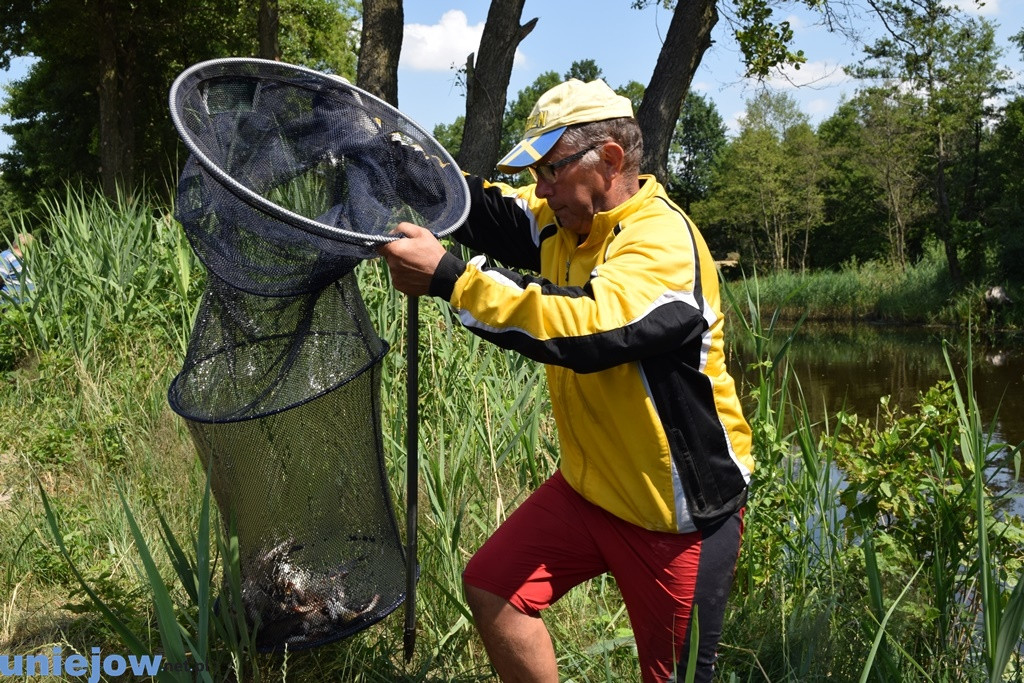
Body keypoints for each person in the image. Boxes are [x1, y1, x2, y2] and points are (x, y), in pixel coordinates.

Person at [378, 79, 754, 683]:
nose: (540, 190)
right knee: (494, 589)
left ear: (609, 159)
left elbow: (588, 328)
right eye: (536, 174)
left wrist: (451, 279)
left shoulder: (662, 242)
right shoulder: (562, 216)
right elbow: (485, 207)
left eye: (549, 171)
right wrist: (382, 149)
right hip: (589, 489)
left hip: (676, 515)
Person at [0, 232, 35, 304]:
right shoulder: (6, 256)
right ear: (25, 245)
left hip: (25, 304)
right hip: (10, 305)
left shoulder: (23, 260)